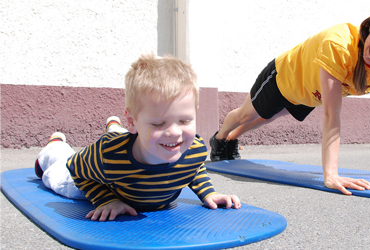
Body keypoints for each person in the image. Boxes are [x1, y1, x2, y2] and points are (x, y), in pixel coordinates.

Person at [209, 5, 370, 195]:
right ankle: (221, 138)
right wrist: (330, 175)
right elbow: (332, 116)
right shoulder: (339, 44)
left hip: (311, 92)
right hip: (284, 78)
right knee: (248, 114)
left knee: (267, 119)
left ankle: (232, 140)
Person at [34, 53, 242, 221]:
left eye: (185, 121)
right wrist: (106, 200)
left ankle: (115, 127)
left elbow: (194, 167)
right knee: (61, 177)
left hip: (138, 143)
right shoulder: (108, 155)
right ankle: (55, 145)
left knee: (145, 139)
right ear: (132, 121)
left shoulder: (193, 147)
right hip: (110, 184)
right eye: (159, 123)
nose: (175, 133)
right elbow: (76, 170)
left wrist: (208, 193)